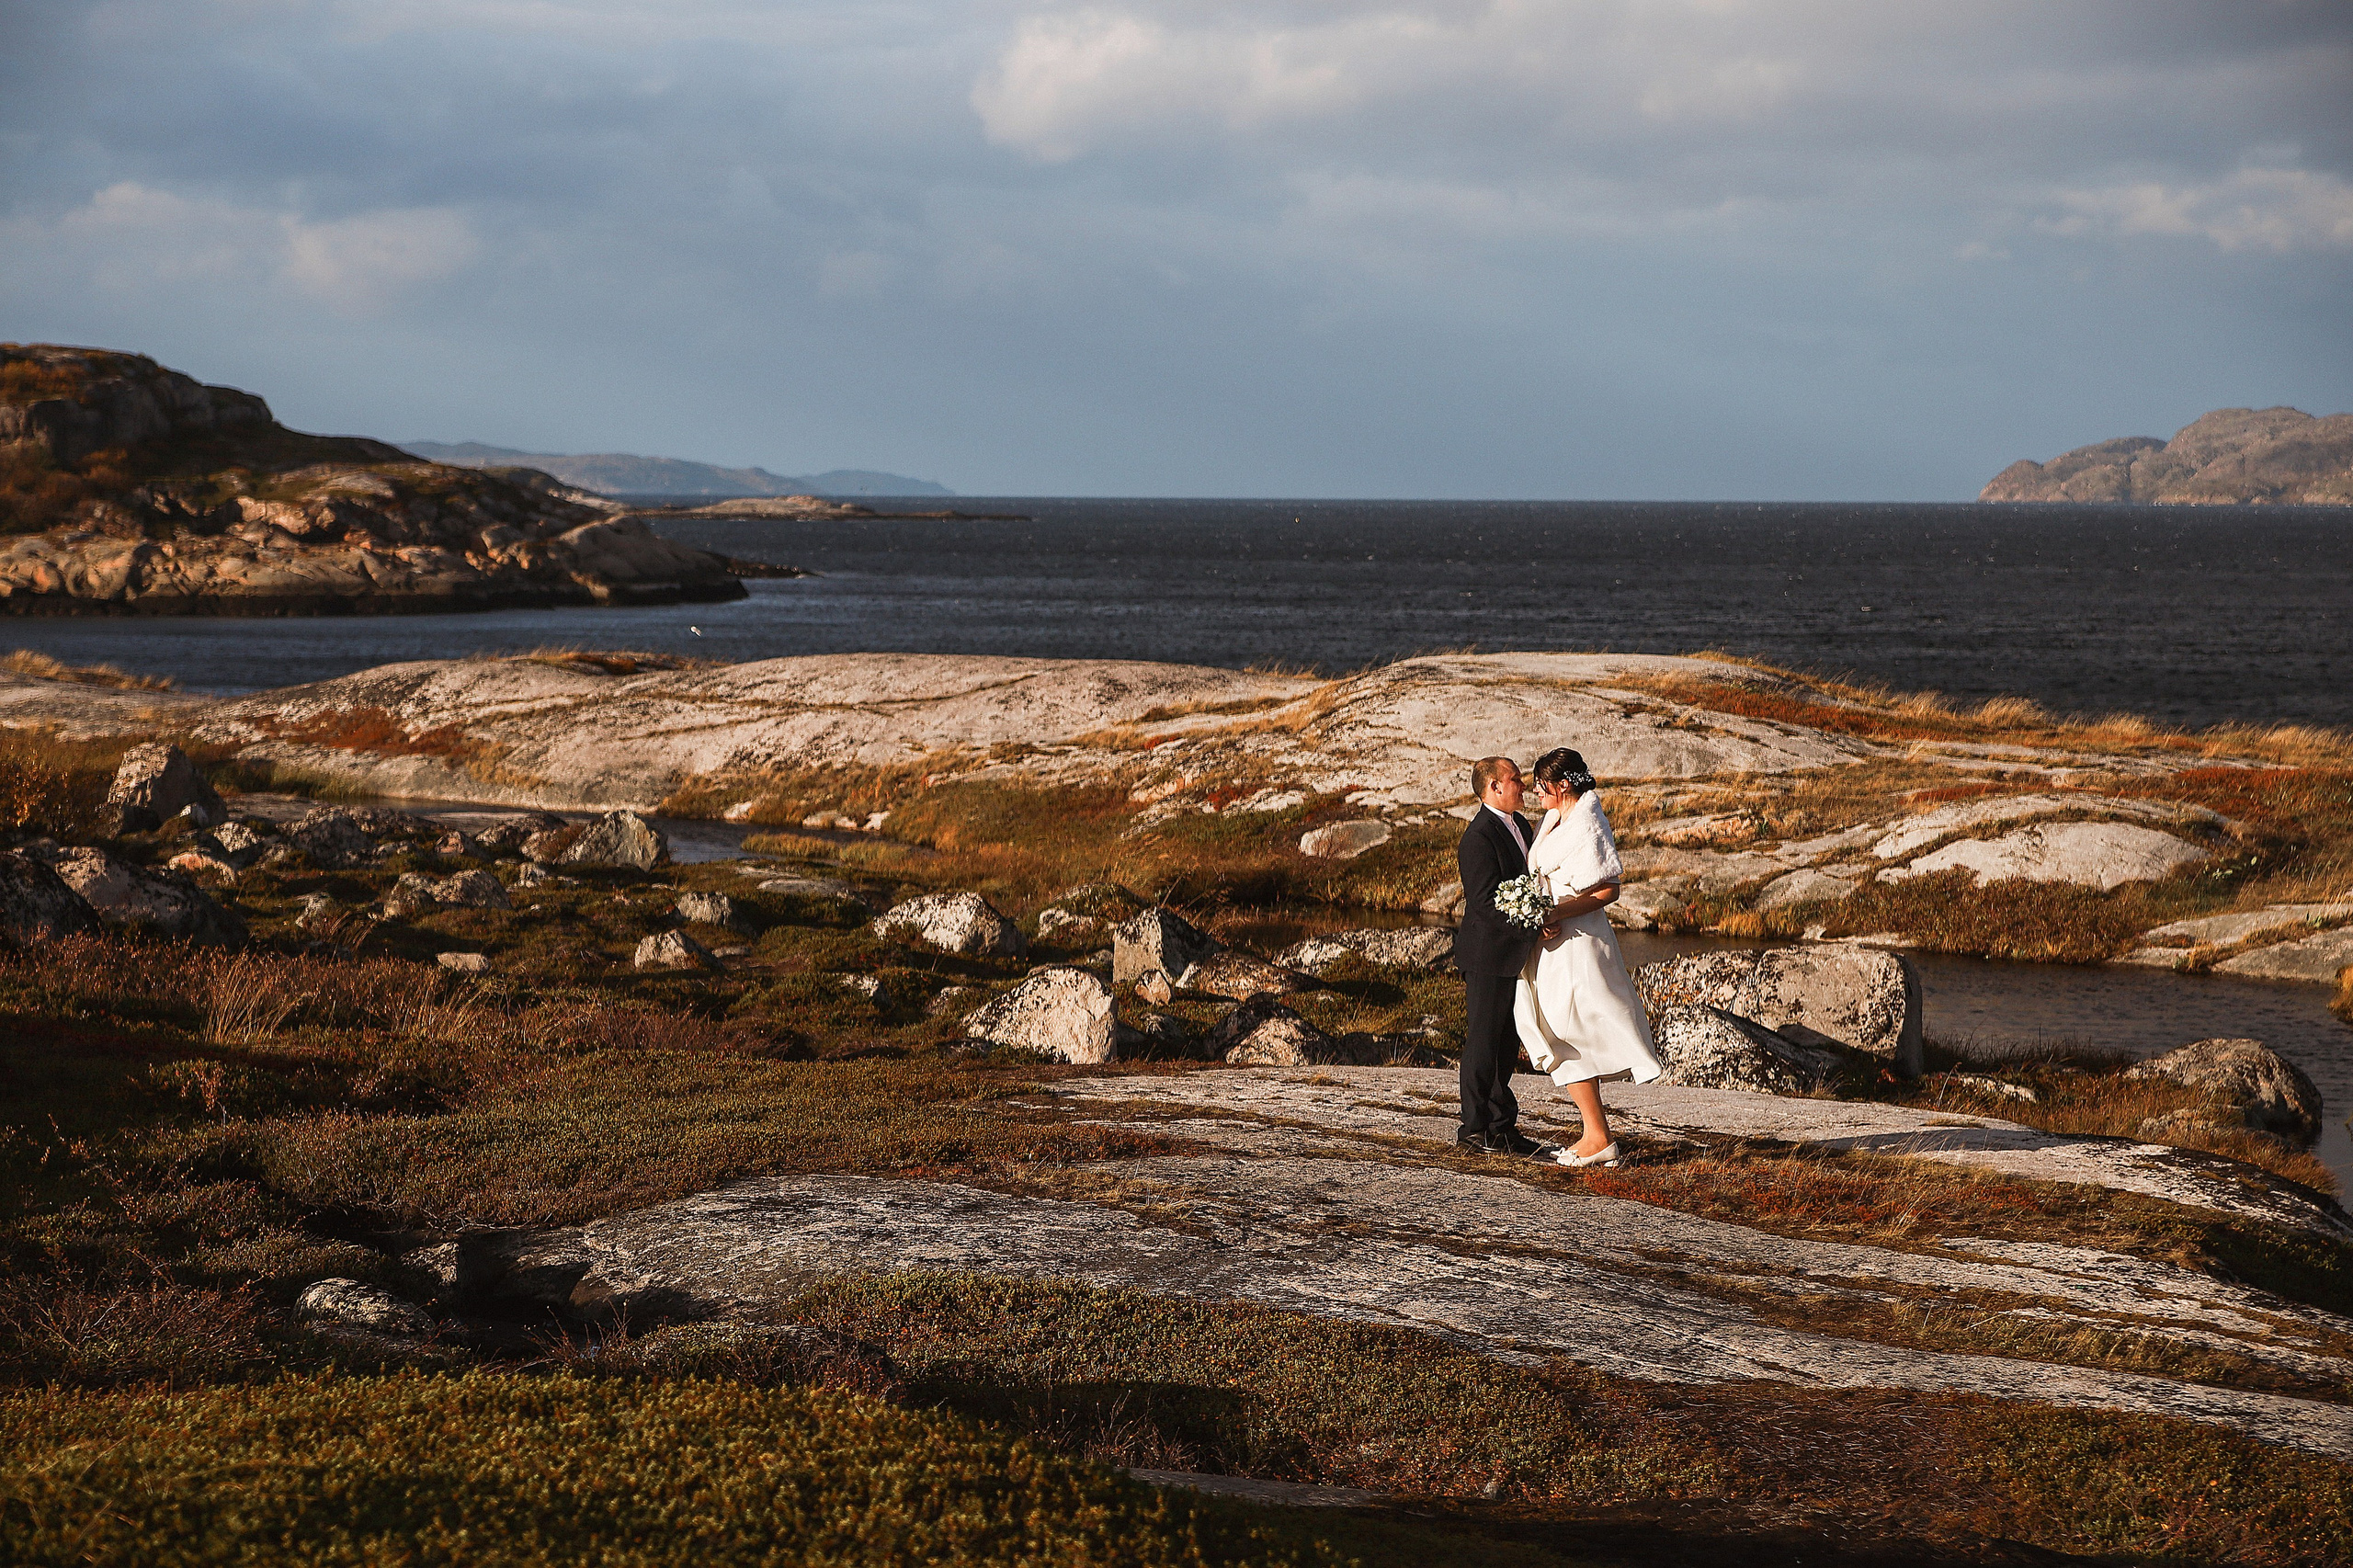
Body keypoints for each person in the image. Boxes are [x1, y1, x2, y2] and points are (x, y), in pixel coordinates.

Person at [1515, 746, 1663, 1168]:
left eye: (1541, 784)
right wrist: (1537, 912)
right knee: (1557, 1026)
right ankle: (1595, 1134)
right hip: (1553, 938)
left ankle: (1598, 1137)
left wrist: (1556, 911)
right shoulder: (1553, 817)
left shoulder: (1588, 820)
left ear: (1562, 785)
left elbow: (1608, 889)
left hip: (1579, 939)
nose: (1534, 791)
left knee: (1571, 1026)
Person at [1451, 755, 1549, 1158]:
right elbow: (1485, 904)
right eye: (1515, 780)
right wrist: (1533, 924)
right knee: (1483, 1043)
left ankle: (1502, 1127)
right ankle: (1473, 1129)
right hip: (1487, 955)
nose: (1523, 785)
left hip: (1513, 954)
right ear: (1493, 787)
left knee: (1507, 1045)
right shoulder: (1477, 838)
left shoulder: (1520, 825)